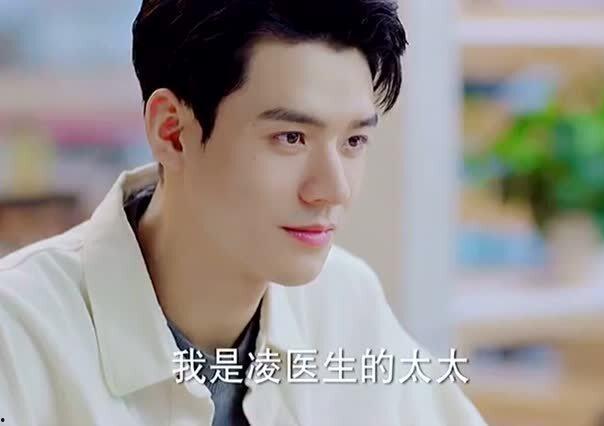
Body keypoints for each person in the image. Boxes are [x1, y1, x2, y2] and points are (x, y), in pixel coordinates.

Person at [0, 1, 487, 425]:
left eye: (354, 140)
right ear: (173, 132)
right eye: (291, 138)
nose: (333, 189)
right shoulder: (18, 335)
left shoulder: (345, 300)